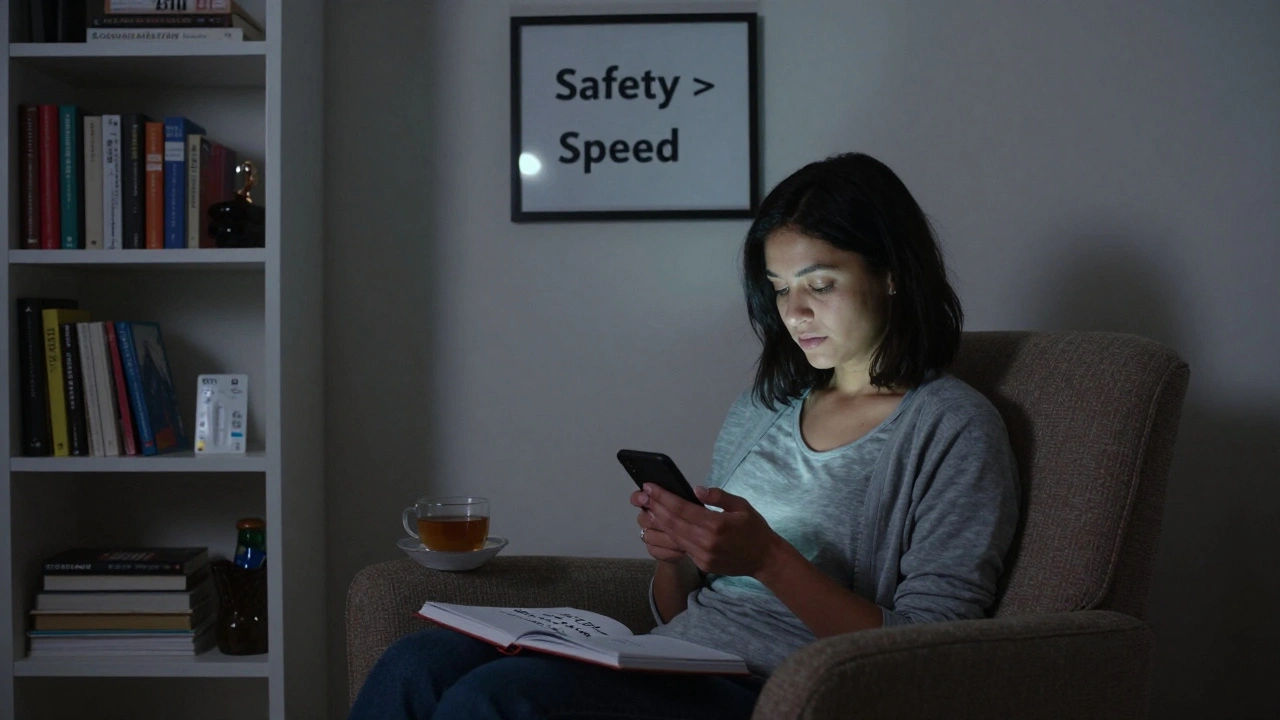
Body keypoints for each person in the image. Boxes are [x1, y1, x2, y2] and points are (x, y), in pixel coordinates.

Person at [348, 152, 1021, 720]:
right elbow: (679, 612)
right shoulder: (766, 407)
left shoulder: (950, 428)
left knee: (502, 699)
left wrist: (769, 560)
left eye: (820, 283)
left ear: (892, 273)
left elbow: (937, 651)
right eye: (779, 288)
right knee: (416, 663)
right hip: (681, 657)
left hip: (776, 688)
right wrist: (676, 557)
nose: (796, 313)